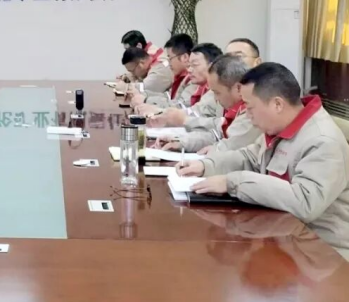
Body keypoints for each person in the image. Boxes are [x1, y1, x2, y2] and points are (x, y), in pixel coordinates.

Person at [178, 63, 349, 259]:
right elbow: (250, 157)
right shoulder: (281, 126)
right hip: (284, 238)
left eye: (250, 107)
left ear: (277, 104)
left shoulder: (323, 141)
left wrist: (233, 182)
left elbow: (305, 203)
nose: (248, 116)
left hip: (322, 255)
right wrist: (206, 166)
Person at [160, 55, 260, 154]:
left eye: (217, 93)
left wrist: (212, 154)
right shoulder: (233, 105)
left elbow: (231, 146)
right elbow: (216, 135)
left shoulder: (252, 110)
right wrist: (180, 142)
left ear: (238, 88)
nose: (215, 99)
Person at [149, 43, 223, 129]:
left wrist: (156, 110)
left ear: (212, 67)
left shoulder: (217, 90)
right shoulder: (199, 85)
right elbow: (188, 109)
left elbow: (187, 110)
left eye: (195, 65)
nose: (189, 70)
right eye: (189, 65)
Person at [135, 34, 197, 110]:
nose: (169, 62)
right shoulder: (180, 76)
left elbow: (180, 106)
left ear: (185, 57)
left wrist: (146, 99)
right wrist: (144, 94)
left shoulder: (193, 78)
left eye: (170, 58)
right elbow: (168, 96)